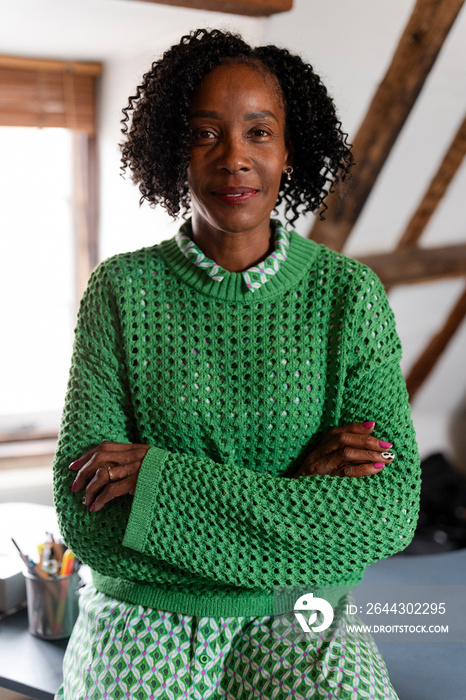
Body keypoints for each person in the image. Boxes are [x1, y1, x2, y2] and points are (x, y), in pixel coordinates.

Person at [53, 28, 421, 700]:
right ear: (173, 149)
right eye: (205, 132)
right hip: (144, 607)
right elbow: (90, 522)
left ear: (289, 150)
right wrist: (300, 488)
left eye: (259, 132)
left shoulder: (347, 295)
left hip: (300, 606)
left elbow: (388, 511)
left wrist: (158, 484)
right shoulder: (120, 291)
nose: (234, 158)